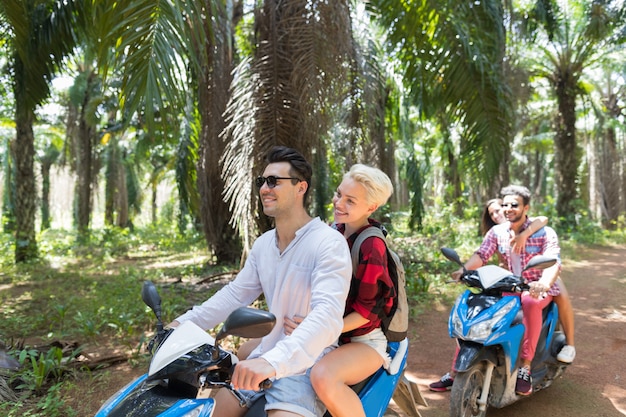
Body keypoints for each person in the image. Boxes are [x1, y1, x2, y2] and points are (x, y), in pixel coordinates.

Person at [167, 146, 352, 417]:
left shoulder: (328, 242)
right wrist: (182, 325)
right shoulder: (264, 244)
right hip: (262, 360)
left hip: (304, 366)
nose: (265, 188)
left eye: (274, 181)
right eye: (262, 181)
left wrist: (272, 362)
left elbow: (327, 317)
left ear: (301, 188)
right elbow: (234, 296)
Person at [286, 164, 395, 417]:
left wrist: (318, 328)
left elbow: (366, 312)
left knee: (323, 377)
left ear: (371, 207)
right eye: (338, 194)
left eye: (350, 200)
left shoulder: (371, 246)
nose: (339, 203)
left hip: (362, 340)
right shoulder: (333, 232)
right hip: (328, 333)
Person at [433, 186, 563, 396]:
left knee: (529, 301)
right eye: (505, 205)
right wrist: (464, 269)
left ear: (526, 207)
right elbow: (482, 255)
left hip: (536, 288)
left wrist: (544, 283)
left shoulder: (544, 232)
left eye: (514, 205)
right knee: (477, 307)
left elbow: (553, 262)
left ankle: (525, 368)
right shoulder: (497, 232)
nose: (508, 209)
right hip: (509, 286)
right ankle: (456, 370)